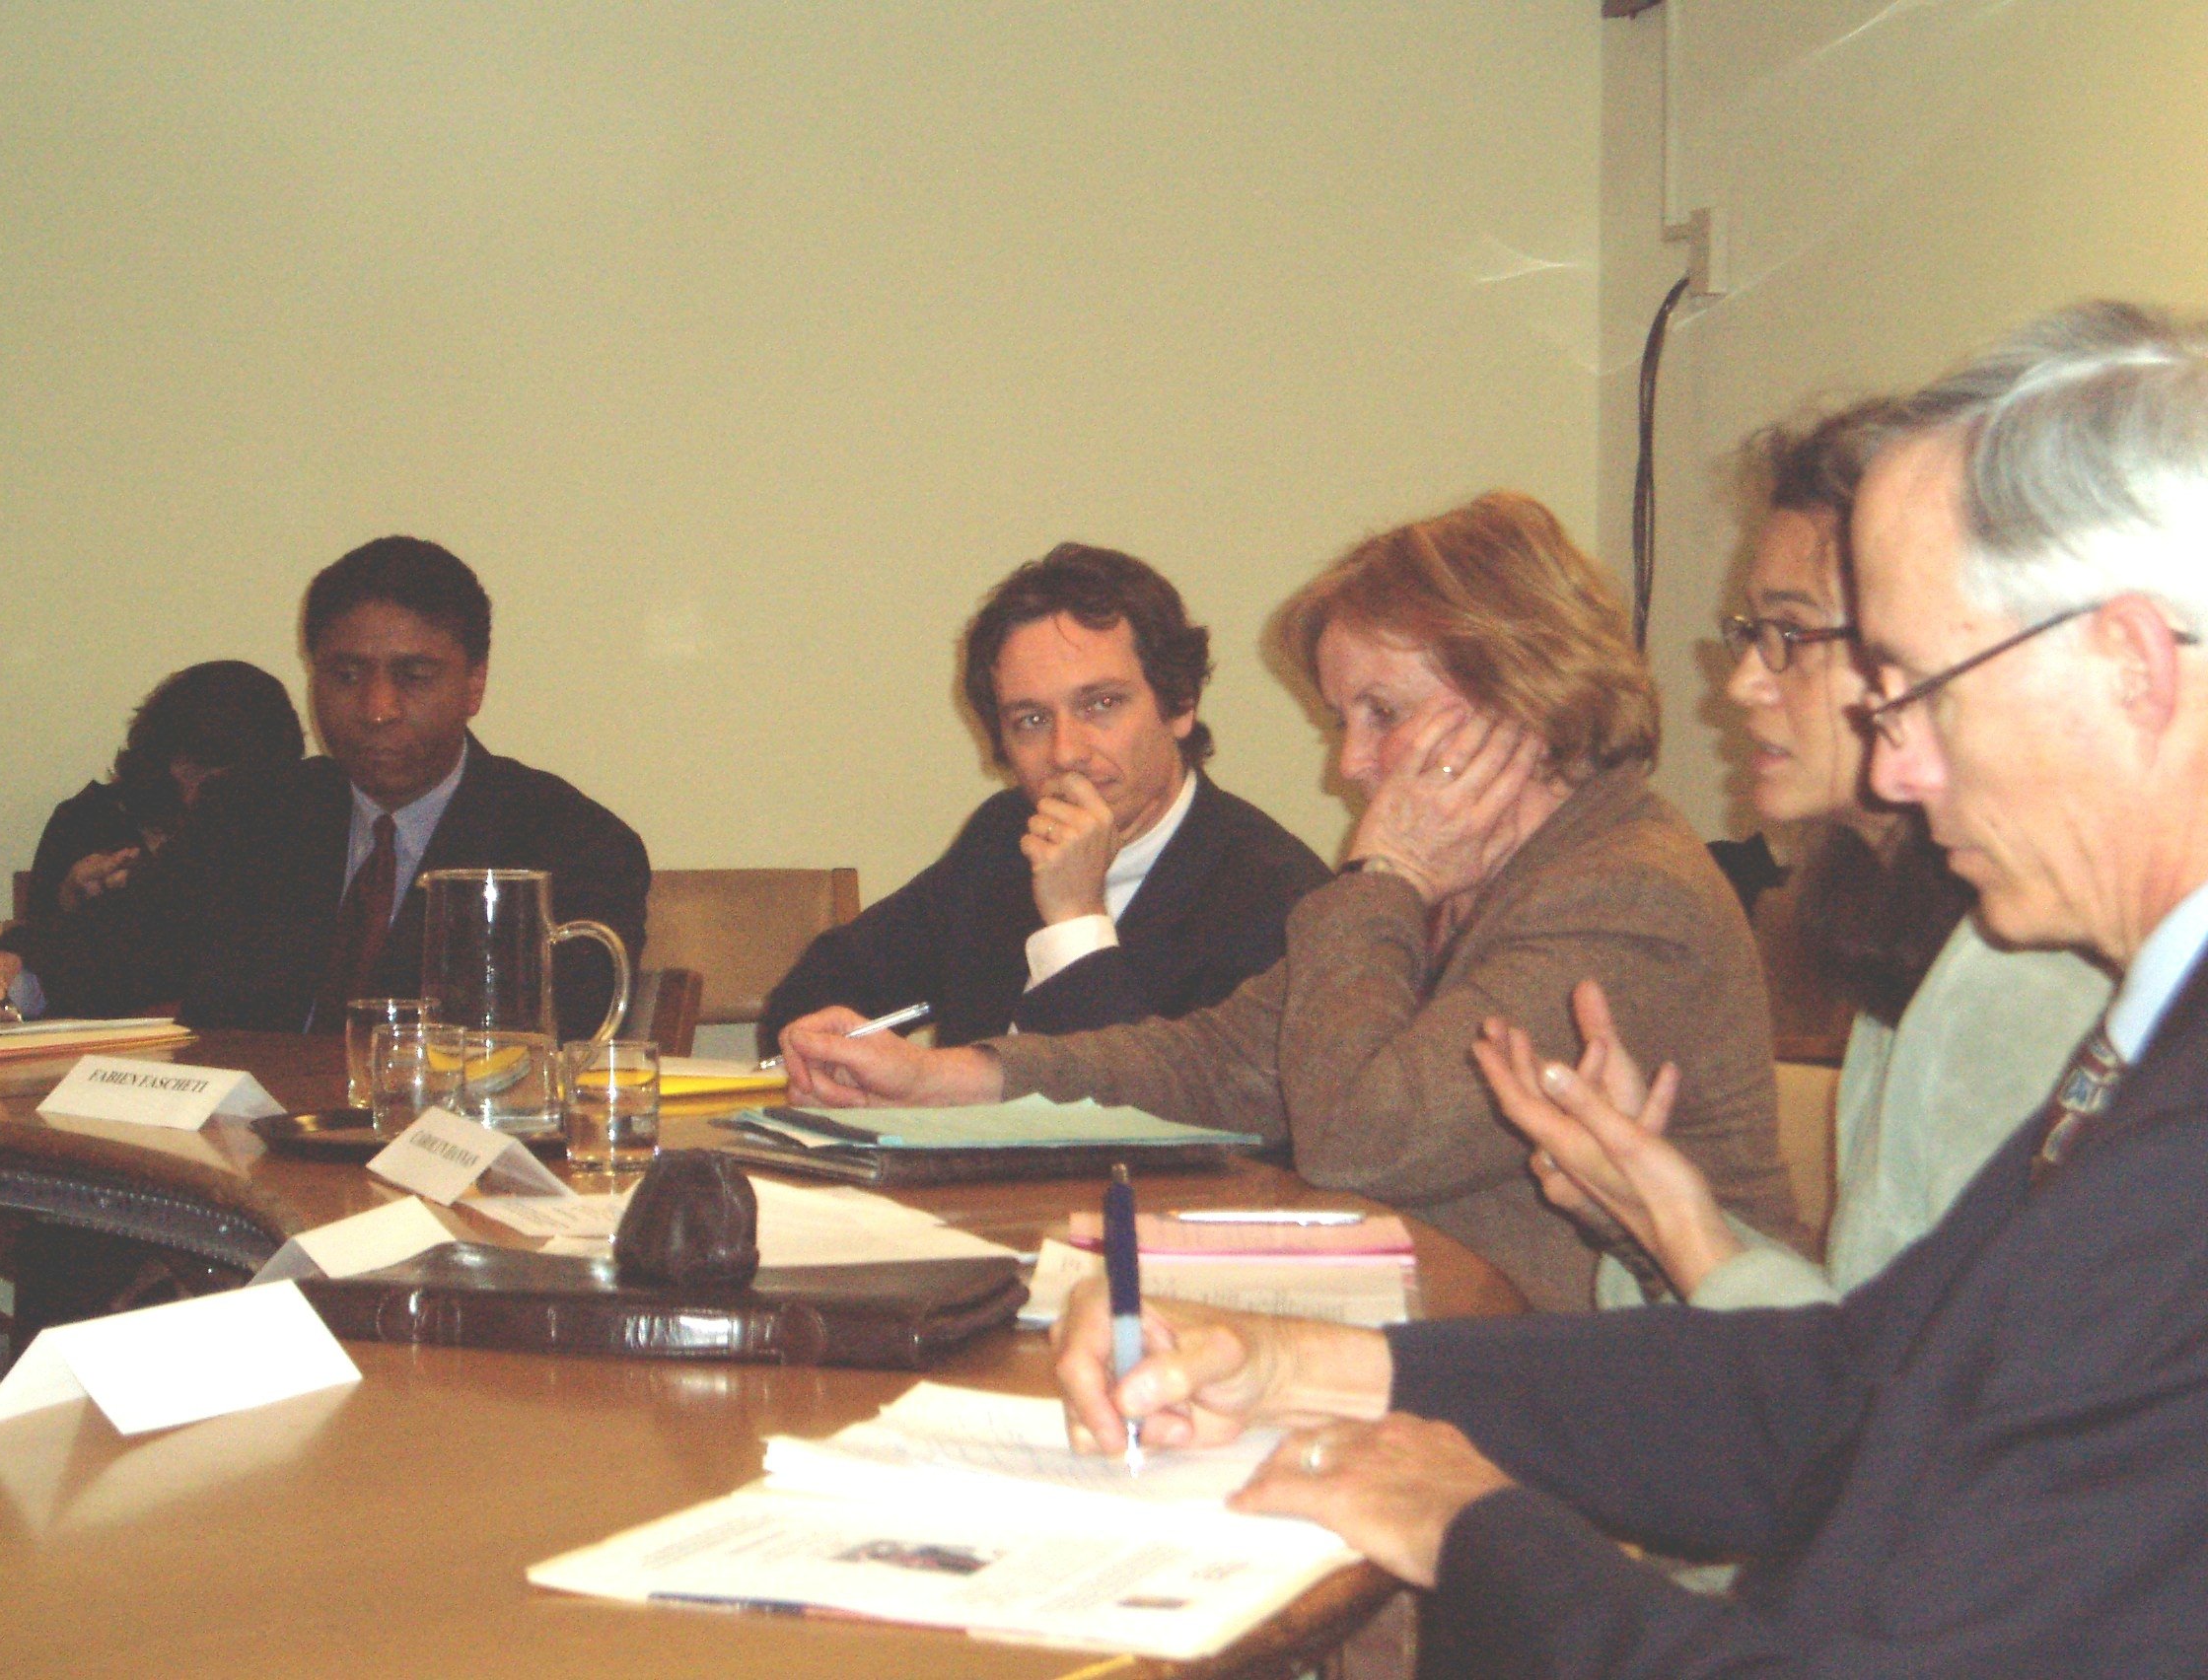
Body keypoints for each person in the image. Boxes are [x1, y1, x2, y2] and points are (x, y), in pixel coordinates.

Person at [1054, 301, 2208, 1675]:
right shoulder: (2152, 1043)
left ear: (2129, 667)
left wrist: (1476, 1529)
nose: (1891, 765)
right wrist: (1304, 1365)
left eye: (1913, 686)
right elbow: (1850, 1388)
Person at [782, 495, 1797, 1310]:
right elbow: (1211, 1059)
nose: (1349, 763)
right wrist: (937, 1079)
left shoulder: (1620, 891)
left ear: (1519, 695)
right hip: (1434, 1340)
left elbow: (1368, 1137)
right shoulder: (1485, 874)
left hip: (1608, 1406)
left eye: (1381, 716)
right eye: (1341, 719)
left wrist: (1382, 881)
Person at [1558, 404, 2111, 1311]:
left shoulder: (2028, 970)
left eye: (1794, 635)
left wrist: (1681, 1229)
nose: (1744, 682)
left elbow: (1912, 1398)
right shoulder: (1903, 919)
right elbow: (1867, 1322)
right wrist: (1652, 1211)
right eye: (1752, 633)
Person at [0, 537, 649, 1039]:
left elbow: (563, 1045)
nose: (376, 708)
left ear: (474, 685)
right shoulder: (253, 816)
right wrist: (6, 977)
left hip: (445, 1178)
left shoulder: (571, 846)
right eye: (346, 674)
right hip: (235, 1169)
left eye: (412, 675)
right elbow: (124, 943)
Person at [761, 543, 1329, 1056]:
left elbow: (1140, 1123)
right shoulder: (1006, 834)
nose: (1065, 752)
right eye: (1031, 720)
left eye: (1101, 704)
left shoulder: (1278, 897)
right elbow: (809, 1004)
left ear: (1180, 704)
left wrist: (1075, 917)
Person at [17, 660, 306, 923]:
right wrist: (70, 901)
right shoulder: (86, 822)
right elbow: (26, 959)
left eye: (220, 778)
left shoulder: (286, 836)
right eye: (190, 766)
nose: (196, 790)